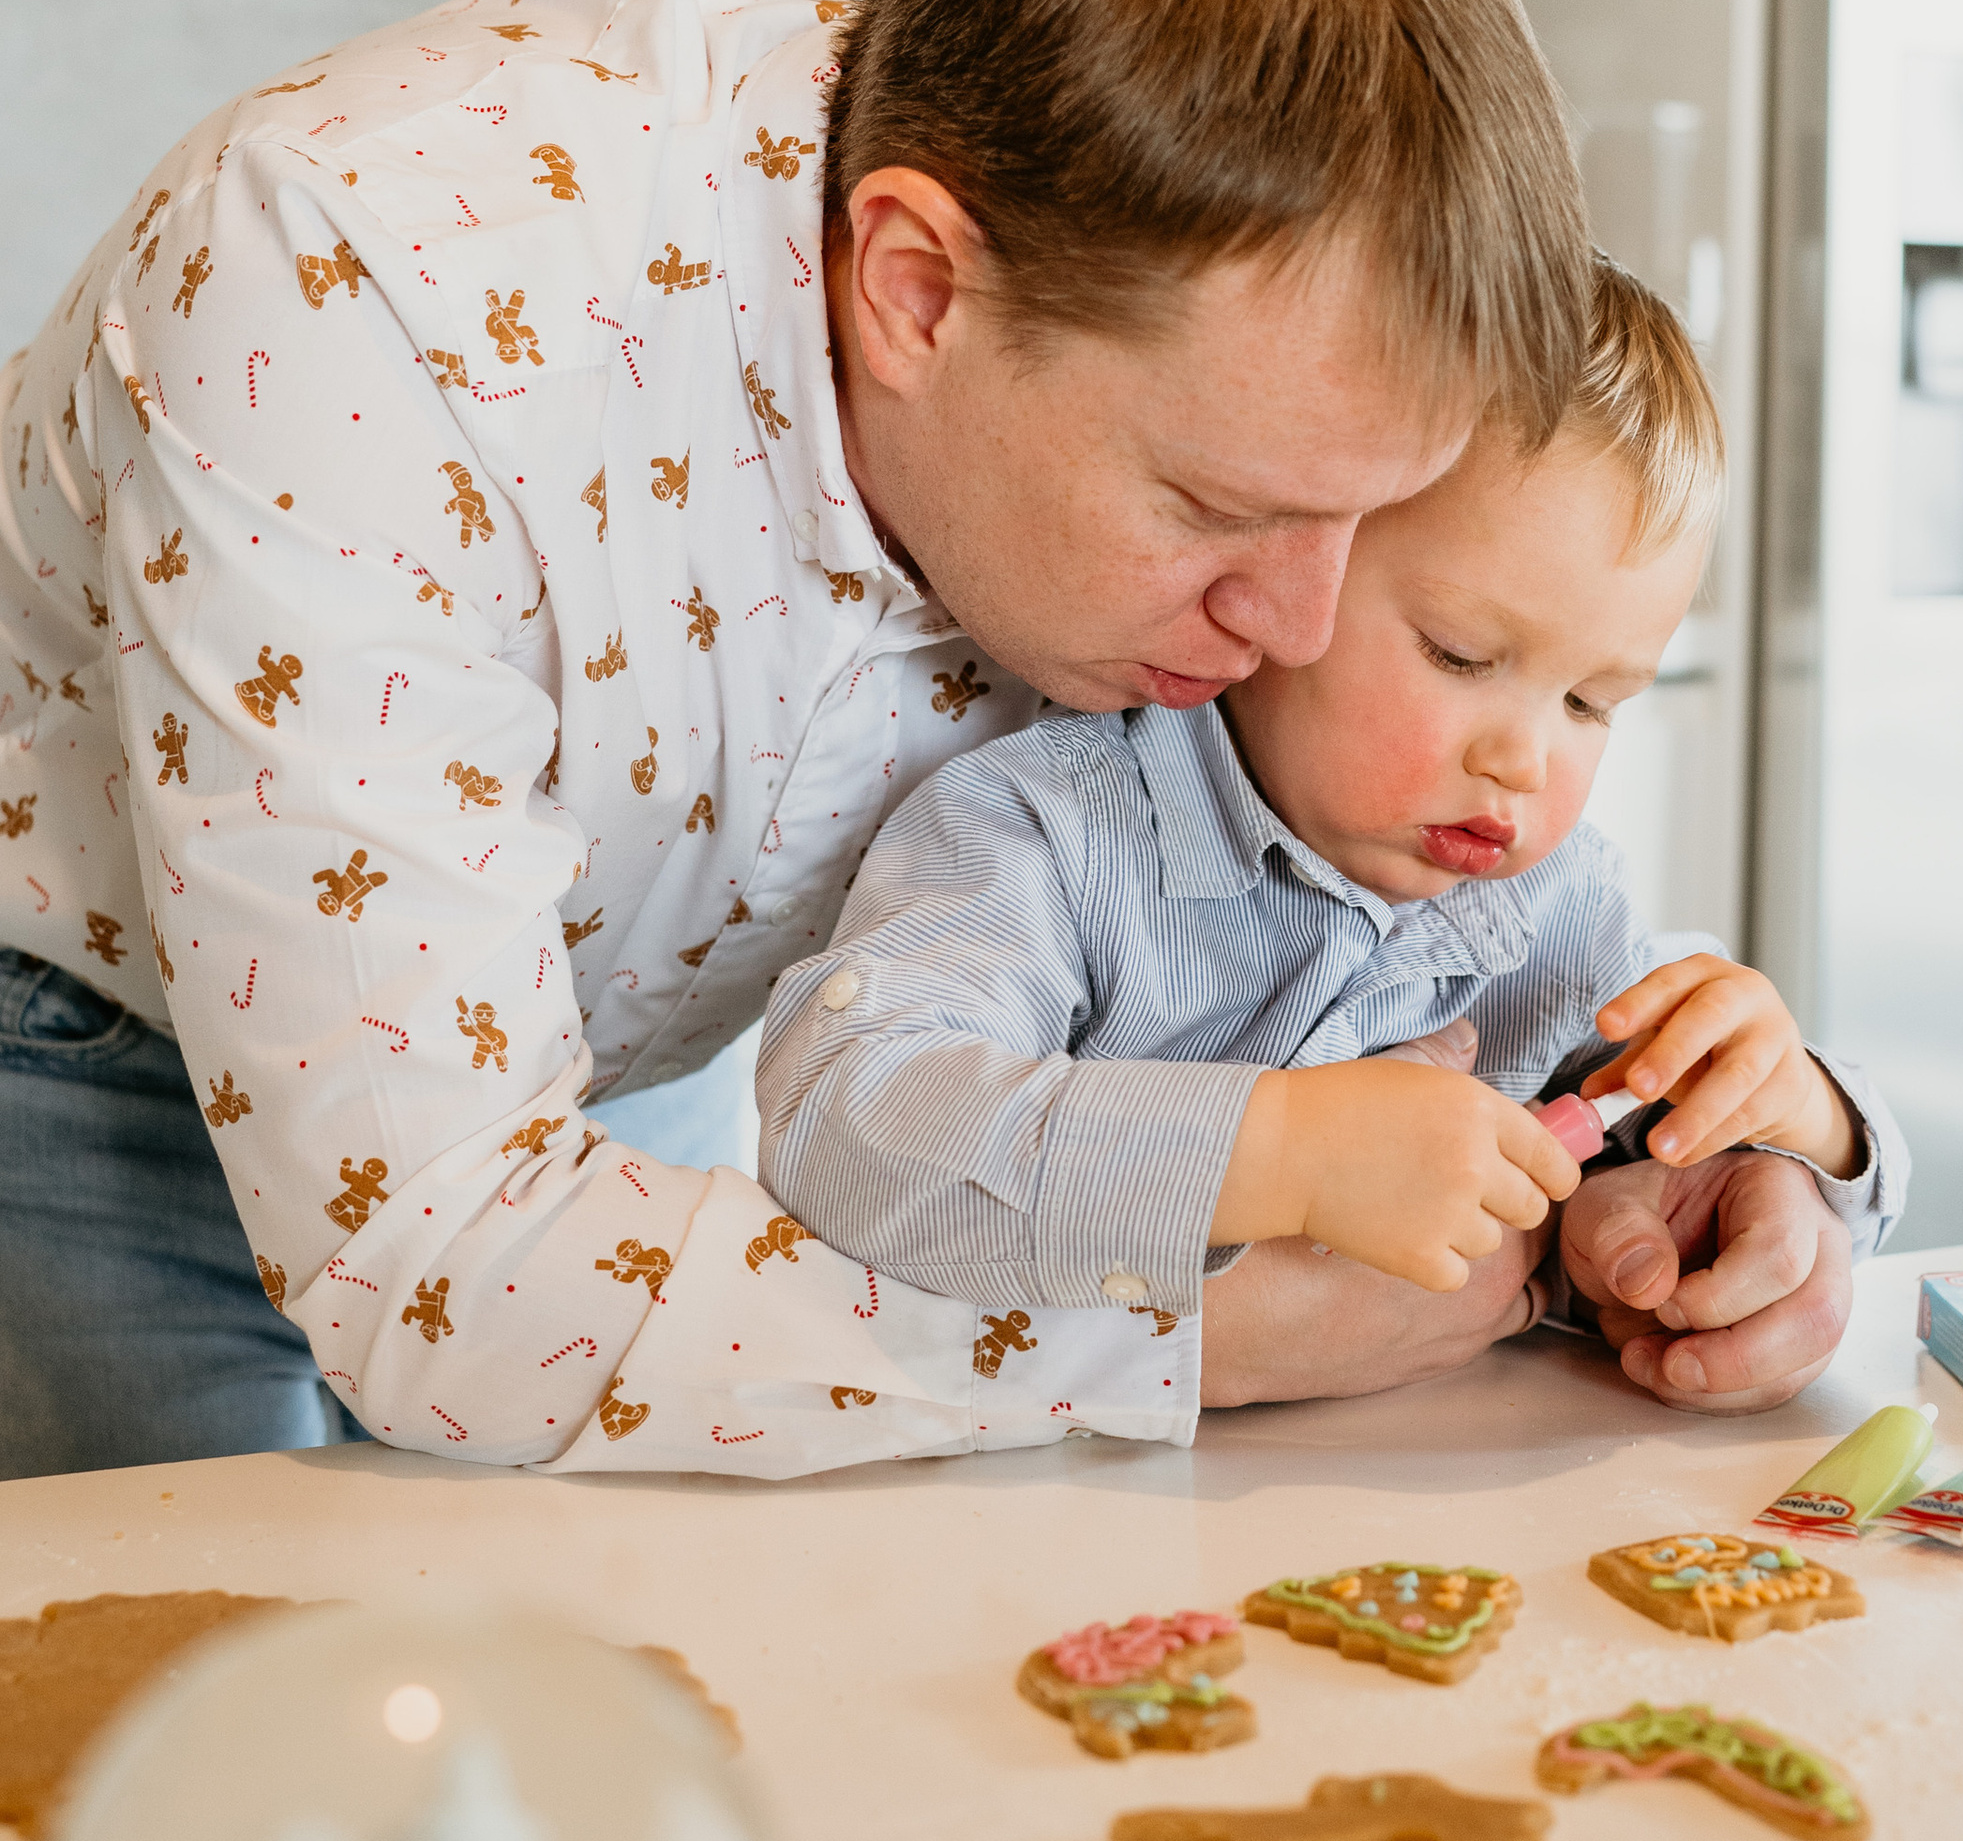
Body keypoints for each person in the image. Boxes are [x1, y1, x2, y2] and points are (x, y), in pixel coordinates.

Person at [0, 0, 1862, 1477]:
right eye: (1217, 509)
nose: (1298, 627)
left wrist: (1743, 1170)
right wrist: (1180, 1342)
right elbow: (446, 1273)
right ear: (912, 290)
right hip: (88, 1046)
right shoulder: (347, 293)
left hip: (624, 1077)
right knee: (187, 1730)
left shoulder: (1159, 240)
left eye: (1366, 532)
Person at [756, 258, 1904, 1399]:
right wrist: (1275, 1151)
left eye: (1589, 702)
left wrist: (1788, 1120)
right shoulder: (1043, 833)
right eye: (1460, 655)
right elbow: (845, 1121)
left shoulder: (1549, 903)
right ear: (1290, 557)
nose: (1524, 759)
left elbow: (1664, 1132)